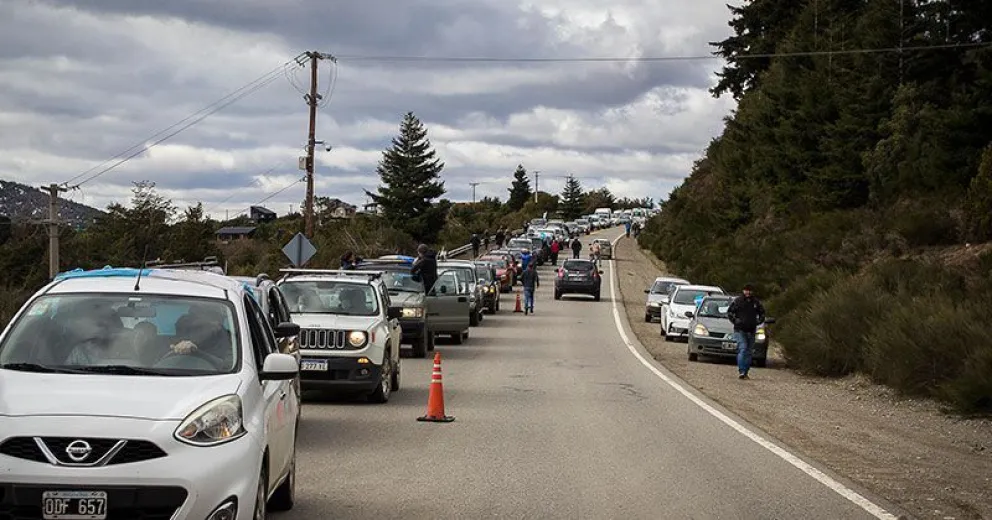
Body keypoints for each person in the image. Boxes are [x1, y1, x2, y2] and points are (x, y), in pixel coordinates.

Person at [727, 283, 766, 380]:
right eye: (746, 290)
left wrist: (758, 321)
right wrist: (736, 321)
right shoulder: (738, 301)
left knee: (749, 352)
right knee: (743, 349)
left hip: (751, 330)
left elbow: (762, 313)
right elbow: (730, 312)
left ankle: (746, 371)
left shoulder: (756, 302)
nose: (747, 292)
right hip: (740, 330)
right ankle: (741, 370)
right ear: (743, 291)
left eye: (749, 290)